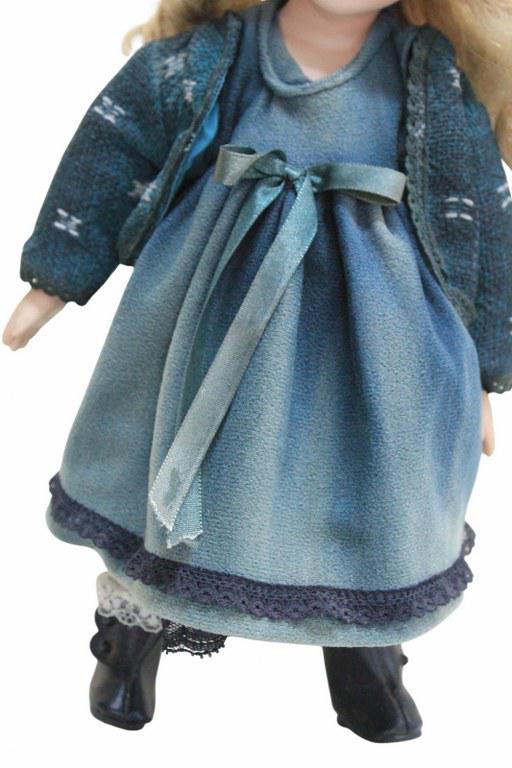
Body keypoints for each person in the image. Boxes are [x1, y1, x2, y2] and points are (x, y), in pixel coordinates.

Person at [3, 0, 511, 742]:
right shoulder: (214, 58)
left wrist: (484, 367)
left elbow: (482, 219)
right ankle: (134, 633)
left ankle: (363, 652)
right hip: (208, 315)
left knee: (370, 487)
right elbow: (114, 150)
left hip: (379, 339)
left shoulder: (427, 76)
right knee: (175, 472)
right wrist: (51, 281)